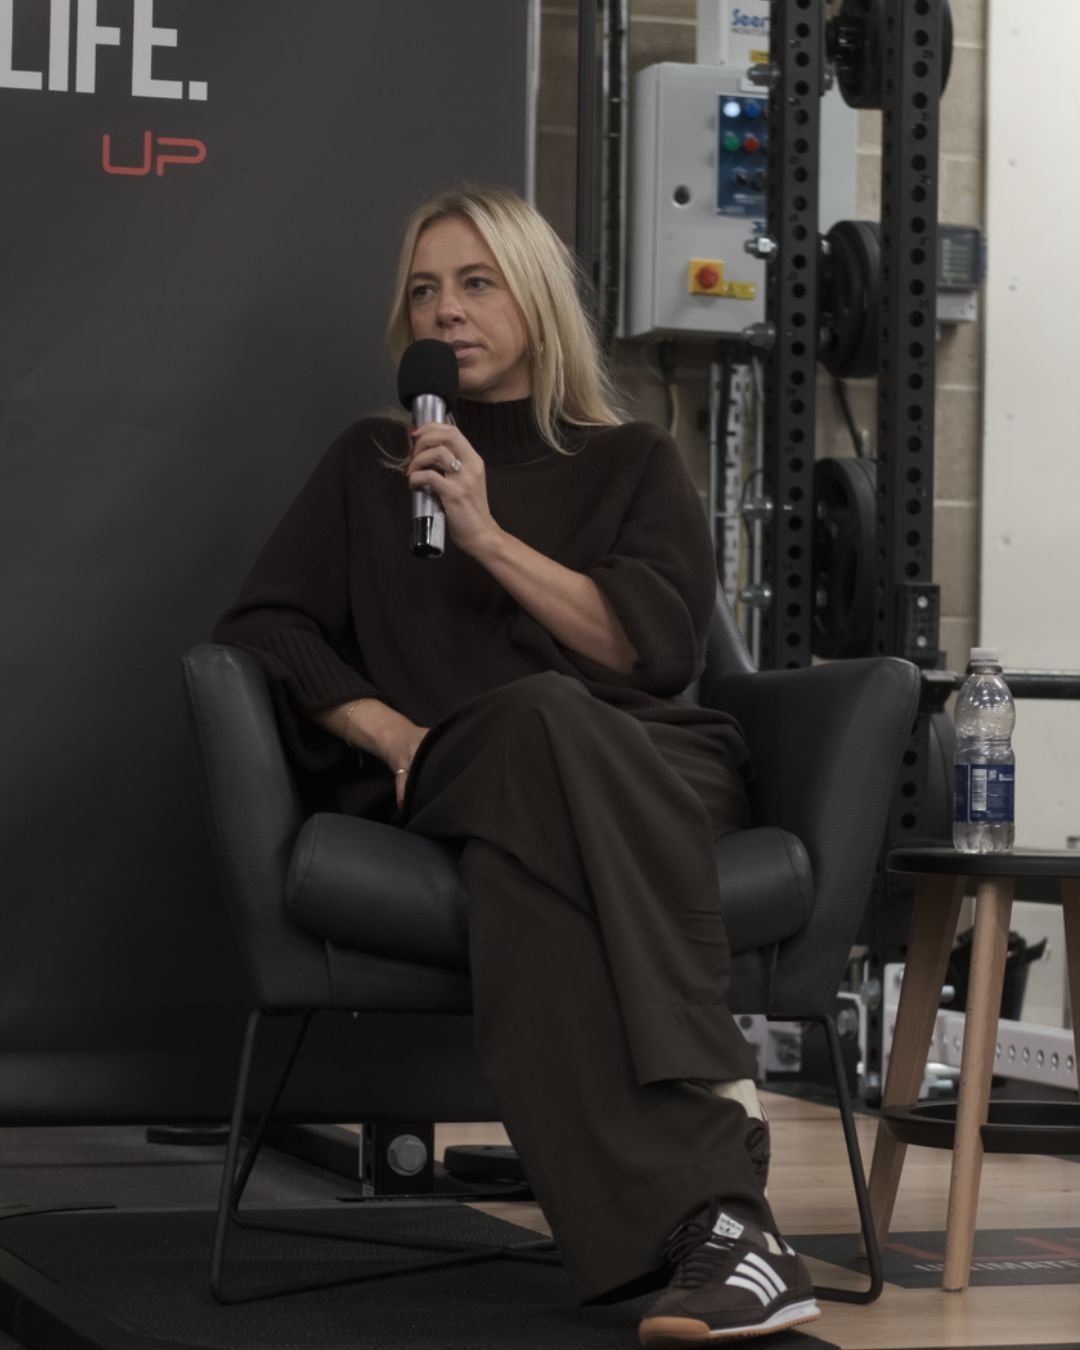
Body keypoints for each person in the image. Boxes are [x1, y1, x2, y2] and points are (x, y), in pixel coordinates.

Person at [212, 186, 820, 1346]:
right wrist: (394, 736)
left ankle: (721, 1245)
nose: (445, 310)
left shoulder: (631, 459)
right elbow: (266, 629)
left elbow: (656, 650)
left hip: (646, 761)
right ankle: (722, 1145)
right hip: (464, 761)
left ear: (536, 300)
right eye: (424, 290)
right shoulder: (372, 463)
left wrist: (486, 535)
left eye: (476, 282)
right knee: (531, 723)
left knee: (526, 858)